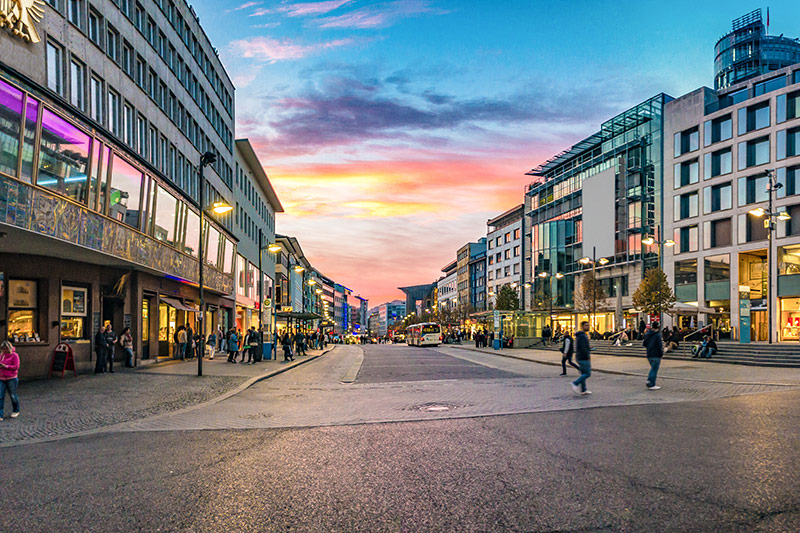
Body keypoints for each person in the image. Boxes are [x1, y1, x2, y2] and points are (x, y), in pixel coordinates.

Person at [0, 341, 21, 420]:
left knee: (12, 395)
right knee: (0, 396)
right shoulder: (1, 355)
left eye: (5, 349)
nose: (4, 351)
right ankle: (0, 414)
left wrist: (6, 366)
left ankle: (16, 410)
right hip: (1, 378)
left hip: (11, 378)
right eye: (3, 349)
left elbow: (16, 366)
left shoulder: (15, 355)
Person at [571, 321, 592, 395]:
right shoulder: (582, 336)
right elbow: (583, 347)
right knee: (587, 373)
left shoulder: (581, 335)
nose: (588, 327)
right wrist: (587, 353)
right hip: (583, 357)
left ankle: (583, 389)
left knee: (583, 373)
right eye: (586, 325)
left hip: (580, 356)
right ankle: (575, 383)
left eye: (588, 325)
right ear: (582, 326)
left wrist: (588, 348)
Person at [643, 321, 664, 390]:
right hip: (656, 354)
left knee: (653, 368)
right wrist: (661, 353)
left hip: (649, 354)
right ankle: (651, 383)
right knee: (654, 369)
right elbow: (659, 345)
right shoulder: (657, 335)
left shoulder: (647, 334)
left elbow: (644, 344)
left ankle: (649, 381)